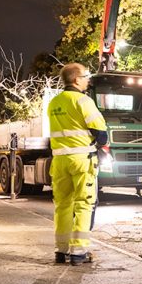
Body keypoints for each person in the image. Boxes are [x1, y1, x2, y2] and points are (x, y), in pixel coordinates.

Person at [48, 63, 107, 265]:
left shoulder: (54, 102)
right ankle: (79, 252)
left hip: (59, 161)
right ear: (76, 79)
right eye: (85, 76)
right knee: (84, 204)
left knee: (62, 206)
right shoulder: (84, 101)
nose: (88, 79)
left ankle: (61, 251)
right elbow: (102, 135)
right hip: (82, 160)